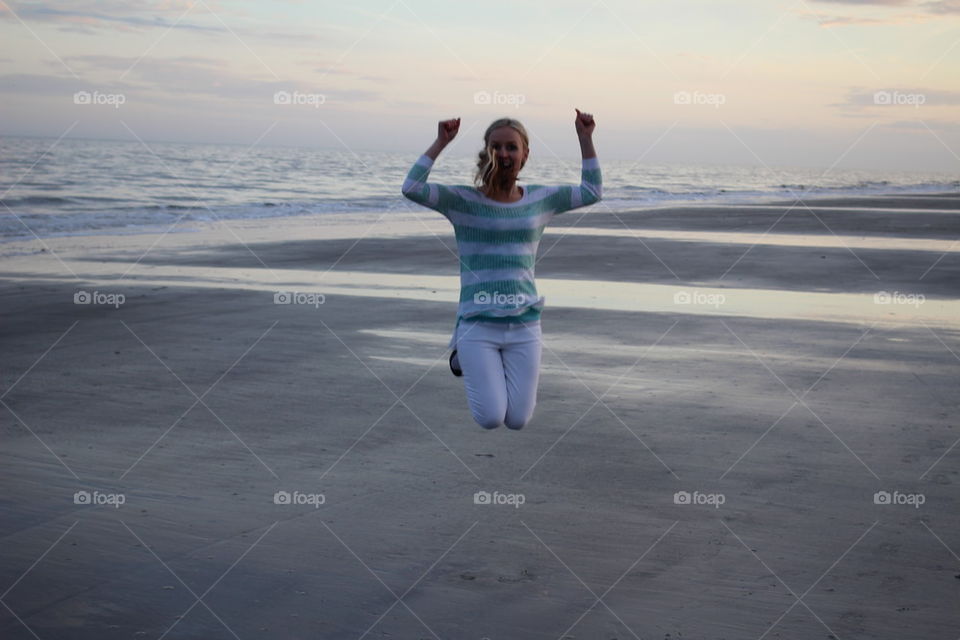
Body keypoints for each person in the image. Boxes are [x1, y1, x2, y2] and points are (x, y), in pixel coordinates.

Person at [401, 109, 601, 430]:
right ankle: (463, 354)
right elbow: (411, 187)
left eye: (511, 147)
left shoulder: (540, 198)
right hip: (478, 324)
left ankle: (485, 365)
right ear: (487, 152)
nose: (504, 153)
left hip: (525, 325)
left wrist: (585, 137)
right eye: (496, 147)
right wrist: (441, 142)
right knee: (491, 418)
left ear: (525, 154)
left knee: (518, 420)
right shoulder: (462, 200)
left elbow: (592, 192)